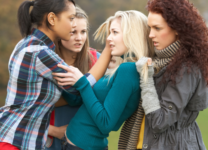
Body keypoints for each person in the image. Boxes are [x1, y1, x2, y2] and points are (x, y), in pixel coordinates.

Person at [0, 0, 111, 150]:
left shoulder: (26, 44)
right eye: (70, 18)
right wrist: (107, 51)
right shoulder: (40, 53)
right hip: (9, 143)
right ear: (52, 19)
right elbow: (78, 88)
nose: (73, 24)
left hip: (12, 141)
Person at [118, 0, 208, 149]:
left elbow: (160, 122)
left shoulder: (187, 68)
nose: (151, 35)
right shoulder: (158, 59)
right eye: (149, 28)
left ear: (177, 29)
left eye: (157, 28)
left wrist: (146, 79)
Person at [53, 10, 154, 150]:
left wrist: (82, 83)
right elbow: (84, 100)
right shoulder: (124, 68)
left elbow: (106, 122)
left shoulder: (128, 70)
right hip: (77, 144)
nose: (109, 38)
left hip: (84, 146)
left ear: (132, 34)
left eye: (115, 32)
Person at [45, 6, 101, 150]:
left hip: (85, 141)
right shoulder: (46, 62)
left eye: (83, 32)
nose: (79, 38)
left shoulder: (96, 61)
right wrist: (54, 131)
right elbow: (26, 108)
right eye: (73, 32)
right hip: (50, 139)